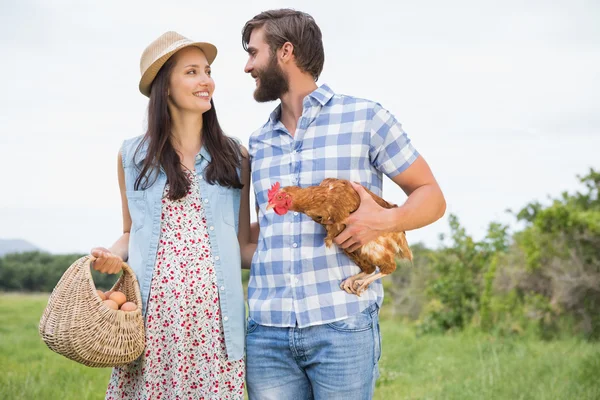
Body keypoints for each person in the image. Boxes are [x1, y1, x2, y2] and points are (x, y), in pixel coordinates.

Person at [241, 9, 446, 400]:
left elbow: (431, 196)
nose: (247, 65)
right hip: (267, 332)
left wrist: (385, 221)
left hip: (341, 326)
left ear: (286, 52)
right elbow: (267, 233)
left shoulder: (365, 118)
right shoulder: (258, 142)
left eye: (254, 52)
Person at [91, 31, 252, 400]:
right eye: (192, 72)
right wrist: (113, 254)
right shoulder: (132, 156)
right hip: (153, 321)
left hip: (215, 323)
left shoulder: (235, 156)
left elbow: (241, 245)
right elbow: (131, 231)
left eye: (207, 71)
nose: (206, 80)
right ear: (165, 86)